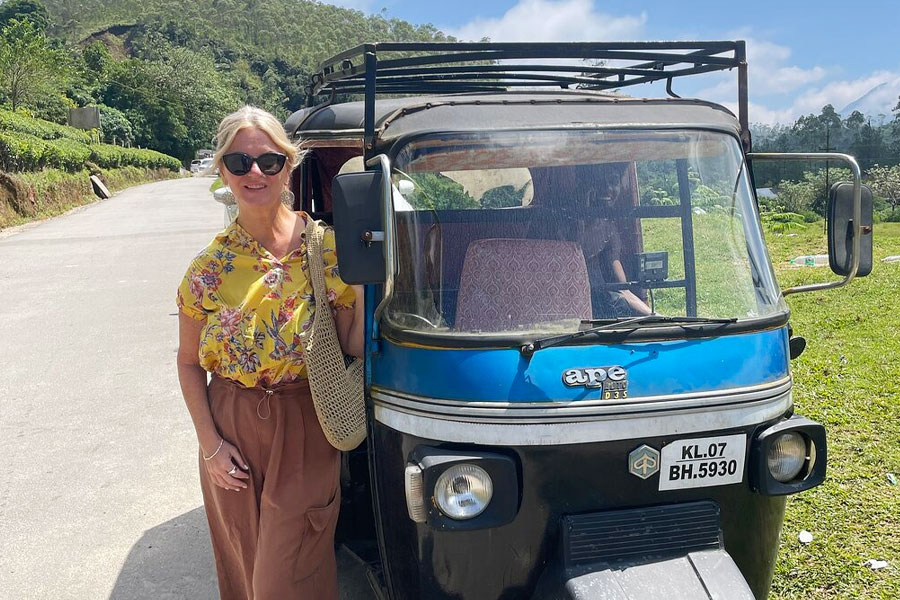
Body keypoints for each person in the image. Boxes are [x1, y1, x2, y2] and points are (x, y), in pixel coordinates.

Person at [175, 105, 363, 599]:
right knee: (244, 562)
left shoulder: (327, 249)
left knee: (286, 572)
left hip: (306, 418)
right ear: (222, 171)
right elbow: (189, 362)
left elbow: (352, 345)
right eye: (239, 162)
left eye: (268, 161)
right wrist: (211, 446)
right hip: (231, 421)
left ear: (288, 165)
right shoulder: (209, 267)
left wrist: (365, 279)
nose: (254, 172)